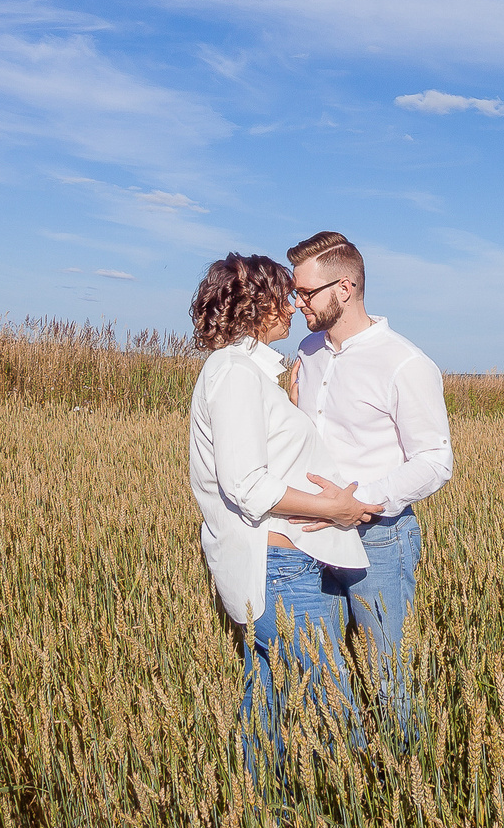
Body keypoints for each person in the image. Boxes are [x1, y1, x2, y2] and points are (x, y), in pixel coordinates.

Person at [185, 252, 382, 788]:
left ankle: (258, 802)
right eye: (286, 296)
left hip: (276, 564)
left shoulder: (248, 374)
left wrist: (290, 410)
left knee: (266, 693)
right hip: (279, 568)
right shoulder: (233, 375)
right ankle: (362, 798)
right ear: (260, 305)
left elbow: (265, 456)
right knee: (334, 702)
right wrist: (338, 508)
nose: (296, 307)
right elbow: (248, 485)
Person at [286, 230, 453, 743]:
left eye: (305, 293)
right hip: (311, 535)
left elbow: (436, 460)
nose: (296, 304)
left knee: (385, 674)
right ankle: (348, 774)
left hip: (377, 538)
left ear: (345, 288)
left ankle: (408, 779)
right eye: (295, 292)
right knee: (323, 669)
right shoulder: (308, 351)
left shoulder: (405, 362)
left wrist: (359, 502)